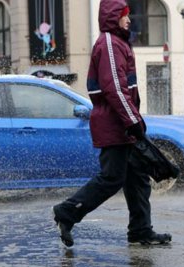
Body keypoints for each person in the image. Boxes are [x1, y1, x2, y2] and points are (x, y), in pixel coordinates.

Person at [52, 0, 172, 247]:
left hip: (122, 124)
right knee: (112, 178)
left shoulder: (118, 42)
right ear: (113, 17)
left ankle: (140, 230)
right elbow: (115, 88)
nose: (129, 20)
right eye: (125, 16)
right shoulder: (109, 43)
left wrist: (133, 121)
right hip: (116, 124)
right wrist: (132, 121)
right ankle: (67, 212)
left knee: (137, 178)